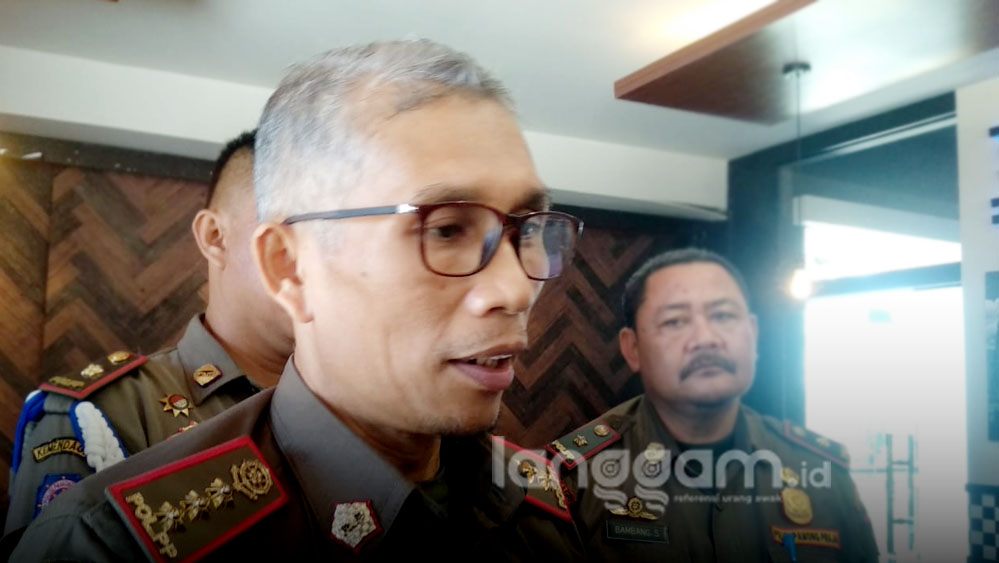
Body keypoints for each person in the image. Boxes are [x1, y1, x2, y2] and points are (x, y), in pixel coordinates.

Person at [9, 39, 585, 561]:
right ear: (289, 268)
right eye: (447, 229)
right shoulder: (115, 545)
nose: (516, 290)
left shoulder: (545, 506)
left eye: (527, 228)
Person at [3, 131, 293, 534]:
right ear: (214, 237)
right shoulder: (105, 416)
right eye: (293, 226)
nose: (323, 255)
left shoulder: (365, 409)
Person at [549, 248, 879, 562]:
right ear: (632, 348)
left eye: (723, 316)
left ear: (753, 334)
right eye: (675, 321)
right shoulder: (572, 480)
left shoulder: (821, 471)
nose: (706, 339)